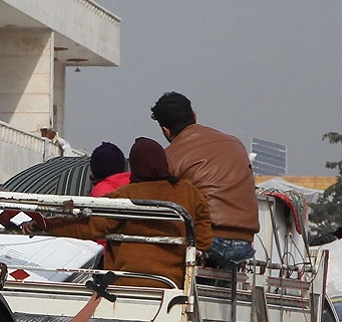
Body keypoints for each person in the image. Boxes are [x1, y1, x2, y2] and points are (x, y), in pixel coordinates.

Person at [43, 137, 212, 285]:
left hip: (128, 282)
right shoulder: (189, 192)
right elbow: (204, 242)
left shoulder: (124, 196)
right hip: (173, 284)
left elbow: (89, 225)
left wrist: (44, 225)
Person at [151, 91, 259, 268]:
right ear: (194, 115)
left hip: (206, 241)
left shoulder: (169, 157)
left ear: (165, 130)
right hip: (244, 243)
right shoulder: (235, 144)